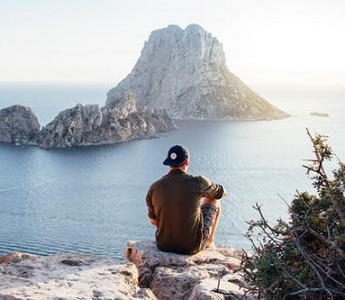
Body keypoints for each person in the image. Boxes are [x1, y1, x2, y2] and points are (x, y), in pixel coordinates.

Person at [146, 145, 227, 255]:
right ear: (187, 162)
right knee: (214, 200)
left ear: (169, 163)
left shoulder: (154, 187)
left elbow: (153, 221)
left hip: (164, 245)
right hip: (191, 247)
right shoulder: (198, 182)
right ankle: (210, 241)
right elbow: (221, 193)